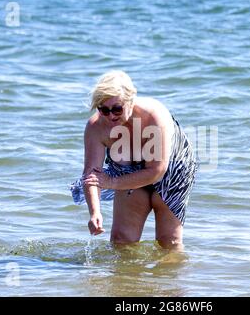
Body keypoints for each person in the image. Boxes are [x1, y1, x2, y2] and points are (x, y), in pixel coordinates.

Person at [70, 70, 197, 251]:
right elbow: (91, 174)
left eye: (117, 109)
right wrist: (95, 212)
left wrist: (112, 182)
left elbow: (157, 170)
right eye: (103, 109)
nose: (111, 116)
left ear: (131, 100)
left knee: (168, 242)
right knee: (121, 241)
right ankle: (127, 279)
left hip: (172, 170)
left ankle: (168, 280)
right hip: (128, 170)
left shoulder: (153, 116)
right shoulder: (96, 126)